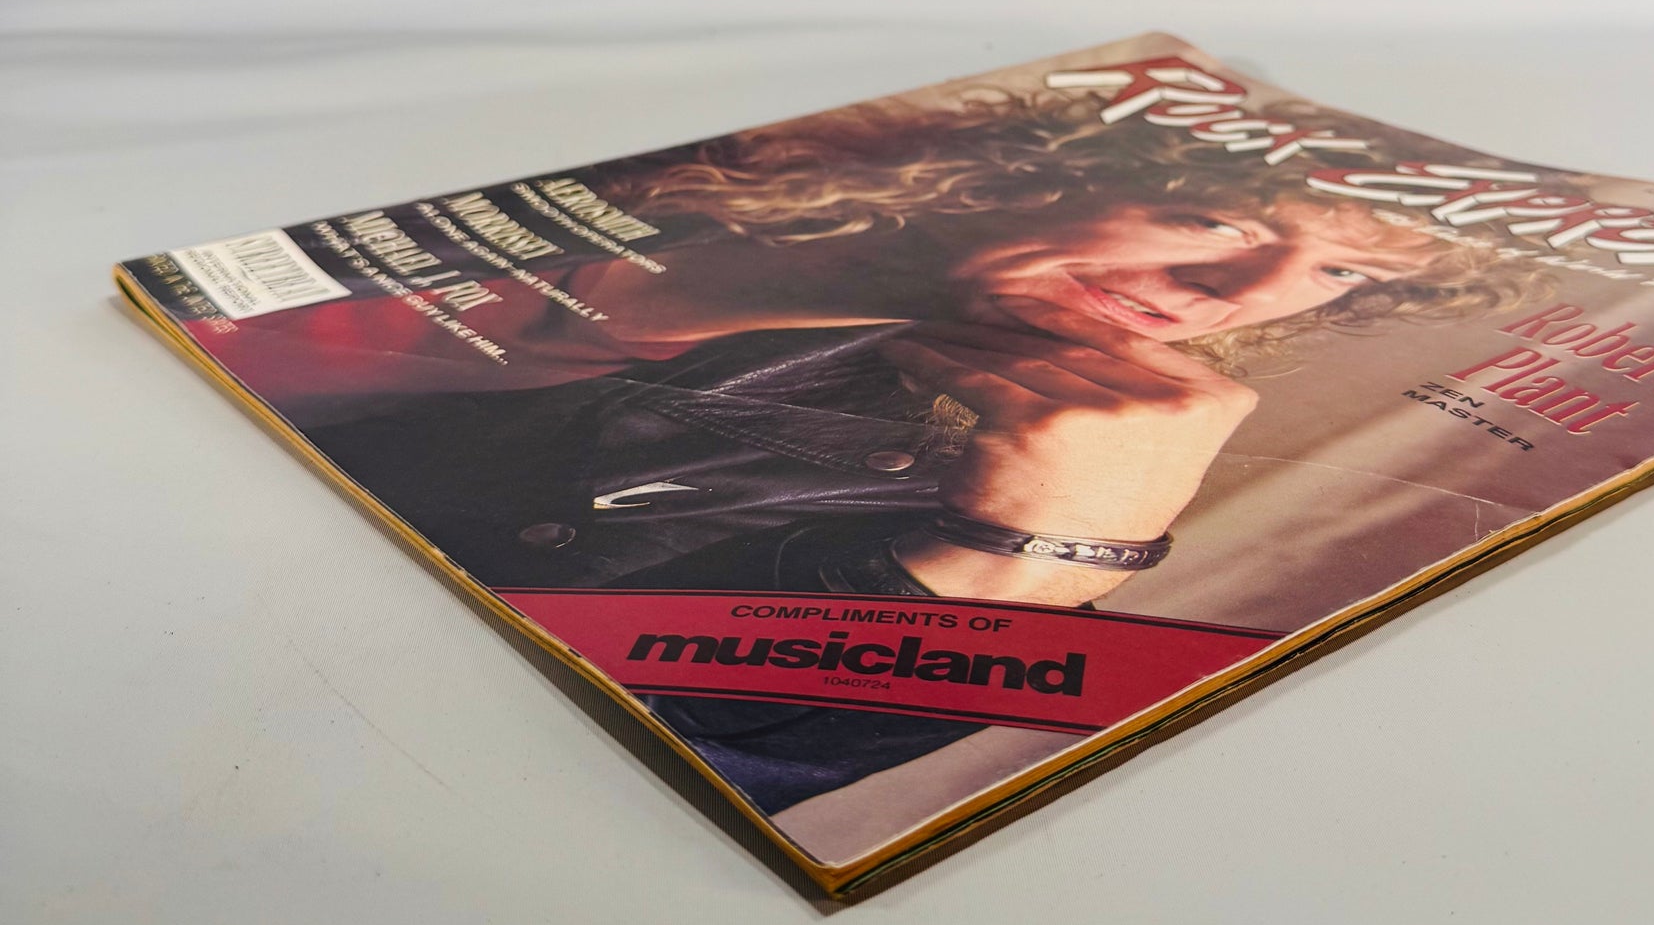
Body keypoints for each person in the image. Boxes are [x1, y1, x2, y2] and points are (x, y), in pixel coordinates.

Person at [305, 83, 1541, 808]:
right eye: (1208, 214)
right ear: (1020, 171)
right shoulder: (636, 174)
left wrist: (1031, 563)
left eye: (1336, 272)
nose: (1244, 292)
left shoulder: (960, 445)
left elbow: (663, 764)